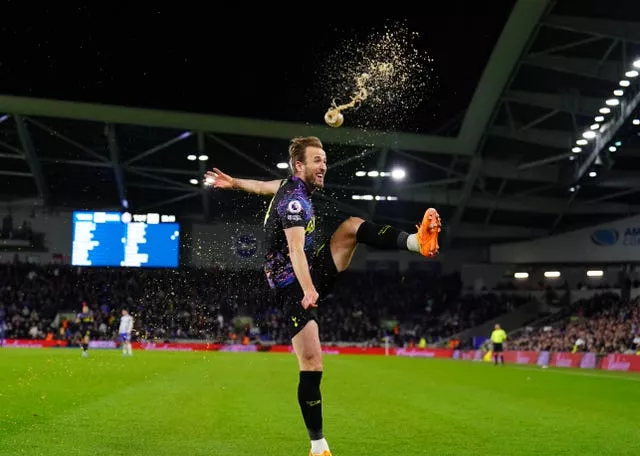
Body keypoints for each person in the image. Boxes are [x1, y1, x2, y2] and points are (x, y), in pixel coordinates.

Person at [205, 136, 441, 456]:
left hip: (309, 271)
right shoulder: (294, 203)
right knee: (313, 363)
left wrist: (233, 183)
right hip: (292, 286)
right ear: (299, 165)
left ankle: (417, 242)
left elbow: (262, 186)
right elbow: (294, 249)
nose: (324, 166)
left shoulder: (290, 186)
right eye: (317, 160)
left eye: (325, 160)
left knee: (352, 227)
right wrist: (308, 289)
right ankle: (318, 446)